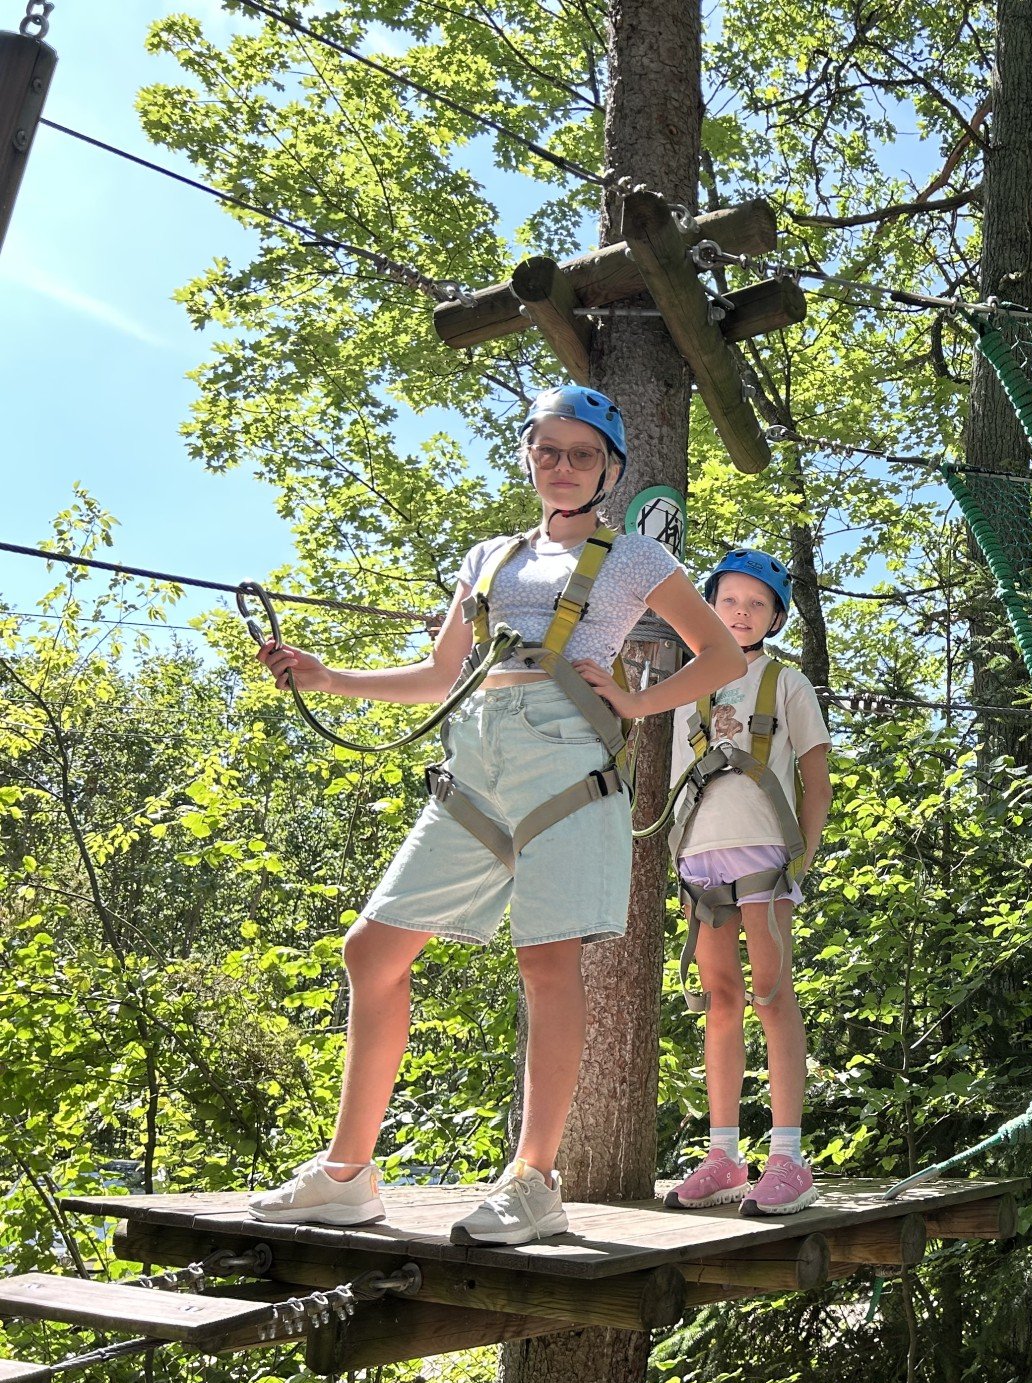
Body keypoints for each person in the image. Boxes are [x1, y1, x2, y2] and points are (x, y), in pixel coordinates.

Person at [247, 385, 739, 1245]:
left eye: (582, 454)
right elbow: (443, 674)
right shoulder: (488, 558)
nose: (562, 466)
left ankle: (532, 1181)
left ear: (610, 470)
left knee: (546, 960)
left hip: (567, 762)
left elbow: (722, 655)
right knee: (372, 949)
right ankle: (347, 1175)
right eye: (548, 450)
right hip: (476, 761)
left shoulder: (635, 559)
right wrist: (331, 678)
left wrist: (636, 703)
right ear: (529, 457)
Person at [590, 547, 831, 1216]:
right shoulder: (687, 689)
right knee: (719, 1000)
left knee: (772, 994)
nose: (741, 613)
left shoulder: (786, 683)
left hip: (766, 855)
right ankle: (723, 1156)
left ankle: (788, 1157)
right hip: (700, 860)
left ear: (776, 617)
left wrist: (802, 860)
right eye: (728, 601)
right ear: (709, 607)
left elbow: (816, 782)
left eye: (757, 604)